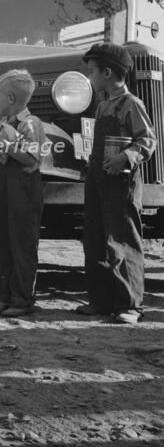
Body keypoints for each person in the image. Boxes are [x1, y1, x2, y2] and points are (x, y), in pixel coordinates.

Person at [77, 42, 157, 324]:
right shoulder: (102, 106)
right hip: (97, 180)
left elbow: (147, 140)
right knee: (96, 238)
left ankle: (129, 305)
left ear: (107, 73)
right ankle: (101, 301)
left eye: (92, 72)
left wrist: (125, 157)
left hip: (121, 185)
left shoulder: (131, 104)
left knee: (122, 239)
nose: (90, 78)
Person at [0, 69, 46, 317]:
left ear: (10, 98)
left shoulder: (31, 124)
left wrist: (7, 146)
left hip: (24, 189)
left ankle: (22, 299)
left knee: (22, 243)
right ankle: (2, 295)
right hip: (3, 186)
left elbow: (32, 157)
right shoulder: (5, 124)